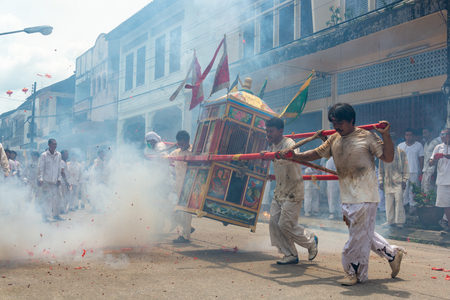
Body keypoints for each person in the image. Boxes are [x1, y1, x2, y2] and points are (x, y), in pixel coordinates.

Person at [282, 103, 404, 285]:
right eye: (334, 123)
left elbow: (388, 157)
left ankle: (353, 272)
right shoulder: (333, 139)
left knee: (356, 237)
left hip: (366, 196)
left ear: (351, 121)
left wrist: (385, 135)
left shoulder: (368, 136)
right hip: (347, 196)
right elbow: (315, 153)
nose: (336, 126)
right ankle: (392, 254)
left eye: (340, 122)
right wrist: (295, 156)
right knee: (362, 234)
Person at [261, 117, 318, 265]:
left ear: (280, 131)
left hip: (293, 191)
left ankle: (310, 241)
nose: (268, 134)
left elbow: (291, 158)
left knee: (285, 224)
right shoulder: (272, 146)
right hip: (279, 191)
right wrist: (268, 155)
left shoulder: (290, 144)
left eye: (271, 131)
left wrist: (274, 157)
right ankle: (290, 254)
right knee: (273, 223)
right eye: (267, 131)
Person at [169, 130, 195, 243]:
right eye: (179, 143)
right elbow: (165, 159)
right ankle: (189, 227)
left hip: (189, 187)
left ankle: (186, 236)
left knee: (186, 212)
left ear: (188, 141)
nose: (180, 146)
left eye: (182, 143)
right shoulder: (175, 153)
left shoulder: (194, 152)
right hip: (177, 186)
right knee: (169, 208)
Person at [379, 133, 409, 228]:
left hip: (398, 181)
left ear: (395, 141)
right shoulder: (383, 153)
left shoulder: (401, 153)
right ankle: (390, 221)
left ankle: (400, 222)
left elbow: (406, 167)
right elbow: (381, 169)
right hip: (388, 182)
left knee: (399, 202)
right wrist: (380, 181)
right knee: (389, 203)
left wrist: (404, 180)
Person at [429, 128, 450, 234]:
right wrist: (435, 159)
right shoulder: (438, 147)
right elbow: (430, 163)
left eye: (445, 134)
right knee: (446, 204)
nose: (442, 136)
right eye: (441, 134)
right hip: (442, 179)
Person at [38, 139, 64, 222]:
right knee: (47, 199)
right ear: (49, 145)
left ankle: (56, 215)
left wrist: (59, 178)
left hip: (55, 181)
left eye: (56, 144)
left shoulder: (58, 154)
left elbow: (59, 167)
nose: (55, 146)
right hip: (46, 180)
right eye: (53, 144)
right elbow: (41, 168)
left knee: (58, 198)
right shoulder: (44, 155)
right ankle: (44, 217)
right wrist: (40, 178)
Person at [398, 128, 424, 215]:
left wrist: (421, 172)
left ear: (414, 136)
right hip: (403, 173)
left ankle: (414, 211)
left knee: (414, 191)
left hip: (415, 172)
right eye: (407, 135)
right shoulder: (400, 146)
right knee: (404, 192)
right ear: (405, 136)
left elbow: (421, 159)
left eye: (410, 135)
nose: (408, 137)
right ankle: (404, 210)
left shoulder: (419, 145)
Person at [422, 127, 440, 193]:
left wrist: (436, 171)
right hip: (425, 170)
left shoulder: (436, 143)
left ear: (431, 133)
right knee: (424, 188)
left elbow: (438, 158)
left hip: (432, 170)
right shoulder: (426, 144)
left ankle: (431, 203)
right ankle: (425, 202)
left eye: (425, 133)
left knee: (431, 188)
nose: (424, 135)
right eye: (423, 133)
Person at [59, 150, 71, 214]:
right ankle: (62, 209)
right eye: (66, 154)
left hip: (66, 182)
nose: (67, 155)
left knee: (67, 195)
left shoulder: (65, 162)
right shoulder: (62, 162)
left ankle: (64, 208)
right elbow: (62, 171)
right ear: (62, 155)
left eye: (67, 154)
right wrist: (66, 181)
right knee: (63, 196)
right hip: (63, 182)